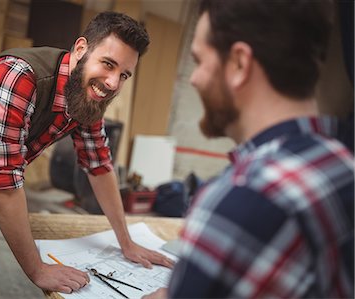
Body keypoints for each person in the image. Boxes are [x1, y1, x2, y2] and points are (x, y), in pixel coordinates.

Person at [0, 11, 173, 298]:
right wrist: (37, 269)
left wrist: (126, 242)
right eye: (108, 64)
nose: (112, 83)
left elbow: (99, 164)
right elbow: (4, 181)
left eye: (124, 75)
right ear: (81, 49)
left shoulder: (87, 96)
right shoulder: (17, 75)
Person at [144, 0, 354, 298]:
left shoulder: (241, 198)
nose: (194, 77)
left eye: (200, 60)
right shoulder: (341, 162)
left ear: (240, 63)